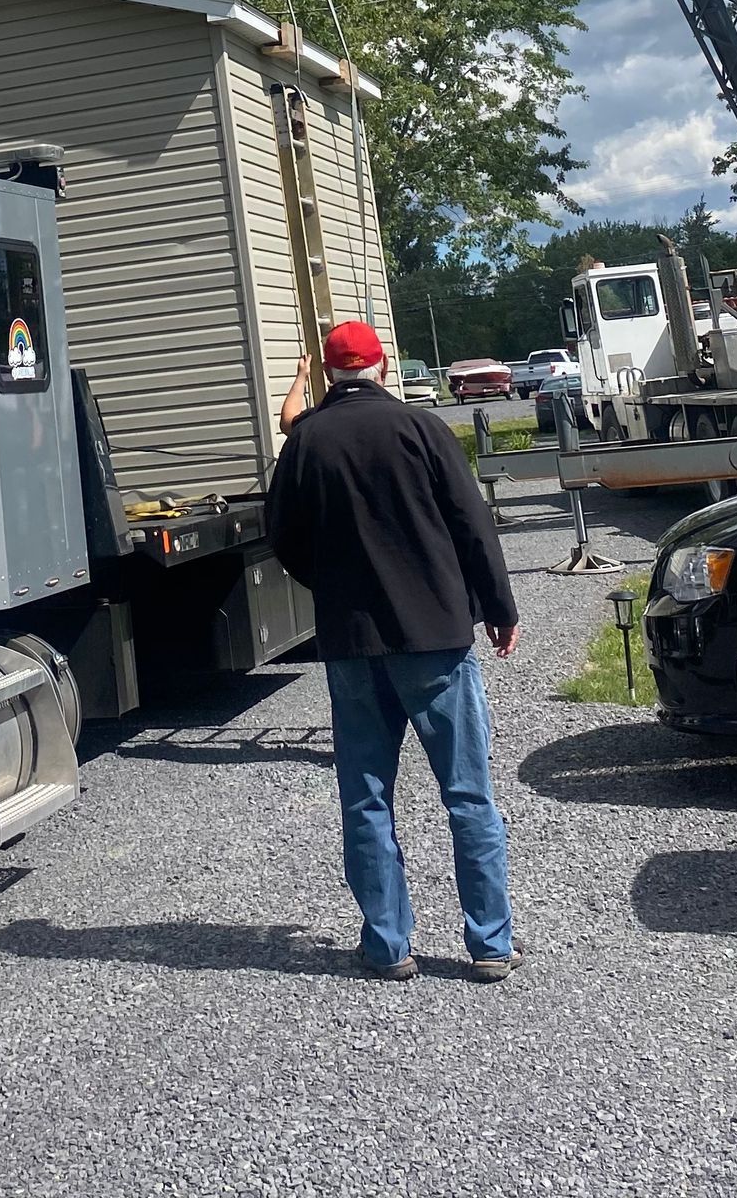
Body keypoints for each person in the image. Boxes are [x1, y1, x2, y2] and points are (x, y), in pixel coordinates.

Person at [265, 317, 521, 983]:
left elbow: (283, 537)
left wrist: (333, 583)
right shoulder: (422, 429)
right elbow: (472, 524)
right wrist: (499, 608)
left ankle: (387, 945)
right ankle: (490, 944)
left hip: (352, 643)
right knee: (467, 794)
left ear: (328, 373)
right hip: (435, 635)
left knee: (366, 796)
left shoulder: (306, 441)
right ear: (381, 367)